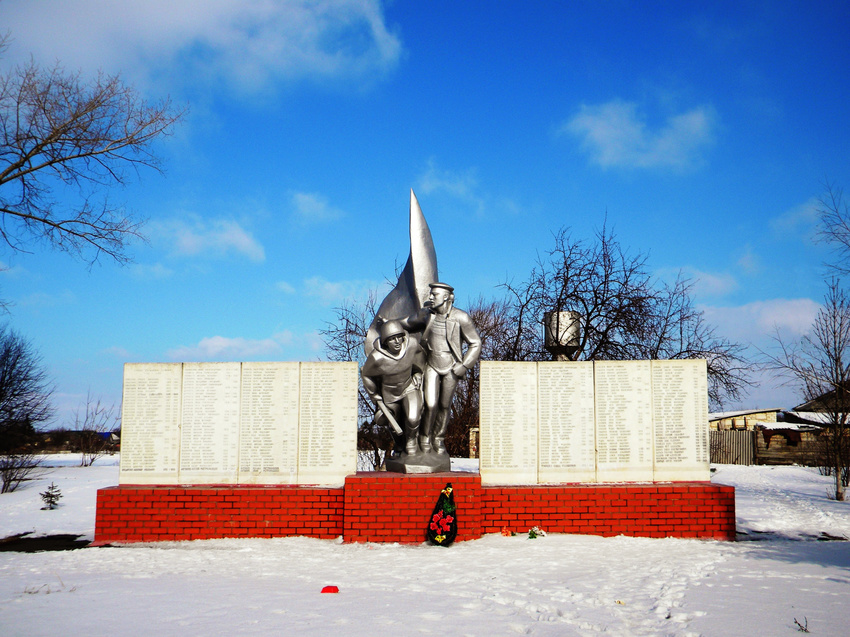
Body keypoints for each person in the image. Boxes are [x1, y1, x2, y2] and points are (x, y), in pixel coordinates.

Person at [401, 282, 481, 455]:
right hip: (431, 365)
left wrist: (465, 365)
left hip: (451, 367)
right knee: (430, 404)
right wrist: (388, 323)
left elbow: (475, 343)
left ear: (445, 297)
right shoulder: (427, 315)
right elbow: (407, 323)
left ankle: (438, 439)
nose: (430, 297)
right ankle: (424, 438)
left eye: (434, 294)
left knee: (444, 406)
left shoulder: (461, 317)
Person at [361, 320, 426, 455]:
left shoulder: (411, 345)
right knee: (393, 424)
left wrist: (418, 373)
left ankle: (411, 442)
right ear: (385, 342)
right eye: (392, 339)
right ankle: (400, 444)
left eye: (399, 337)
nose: (397, 341)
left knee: (413, 418)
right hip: (389, 394)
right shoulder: (377, 357)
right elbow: (366, 375)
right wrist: (374, 395)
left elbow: (421, 358)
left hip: (409, 387)